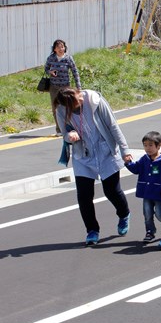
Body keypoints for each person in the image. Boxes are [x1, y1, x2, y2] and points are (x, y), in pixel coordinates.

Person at [55, 88, 131, 245]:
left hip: (106, 151)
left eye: (80, 95)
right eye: (77, 100)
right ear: (69, 105)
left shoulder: (95, 101)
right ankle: (92, 230)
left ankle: (124, 214)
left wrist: (125, 150)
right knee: (84, 196)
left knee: (112, 191)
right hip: (83, 156)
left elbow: (113, 125)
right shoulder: (61, 110)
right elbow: (64, 135)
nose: (81, 99)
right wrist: (69, 137)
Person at [125, 131, 161, 243]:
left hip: (159, 193)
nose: (148, 148)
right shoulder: (144, 159)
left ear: (159, 146)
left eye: (151, 145)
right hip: (147, 193)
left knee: (160, 214)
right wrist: (128, 163)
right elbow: (136, 169)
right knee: (147, 214)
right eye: (145, 145)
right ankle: (150, 232)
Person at [46, 39, 82, 135]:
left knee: (67, 107)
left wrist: (78, 86)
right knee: (55, 108)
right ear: (54, 49)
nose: (61, 49)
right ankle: (59, 129)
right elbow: (46, 69)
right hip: (54, 87)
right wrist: (50, 72)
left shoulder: (68, 58)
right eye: (58, 47)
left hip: (65, 87)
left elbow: (75, 72)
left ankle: (69, 127)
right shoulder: (51, 58)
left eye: (62, 47)